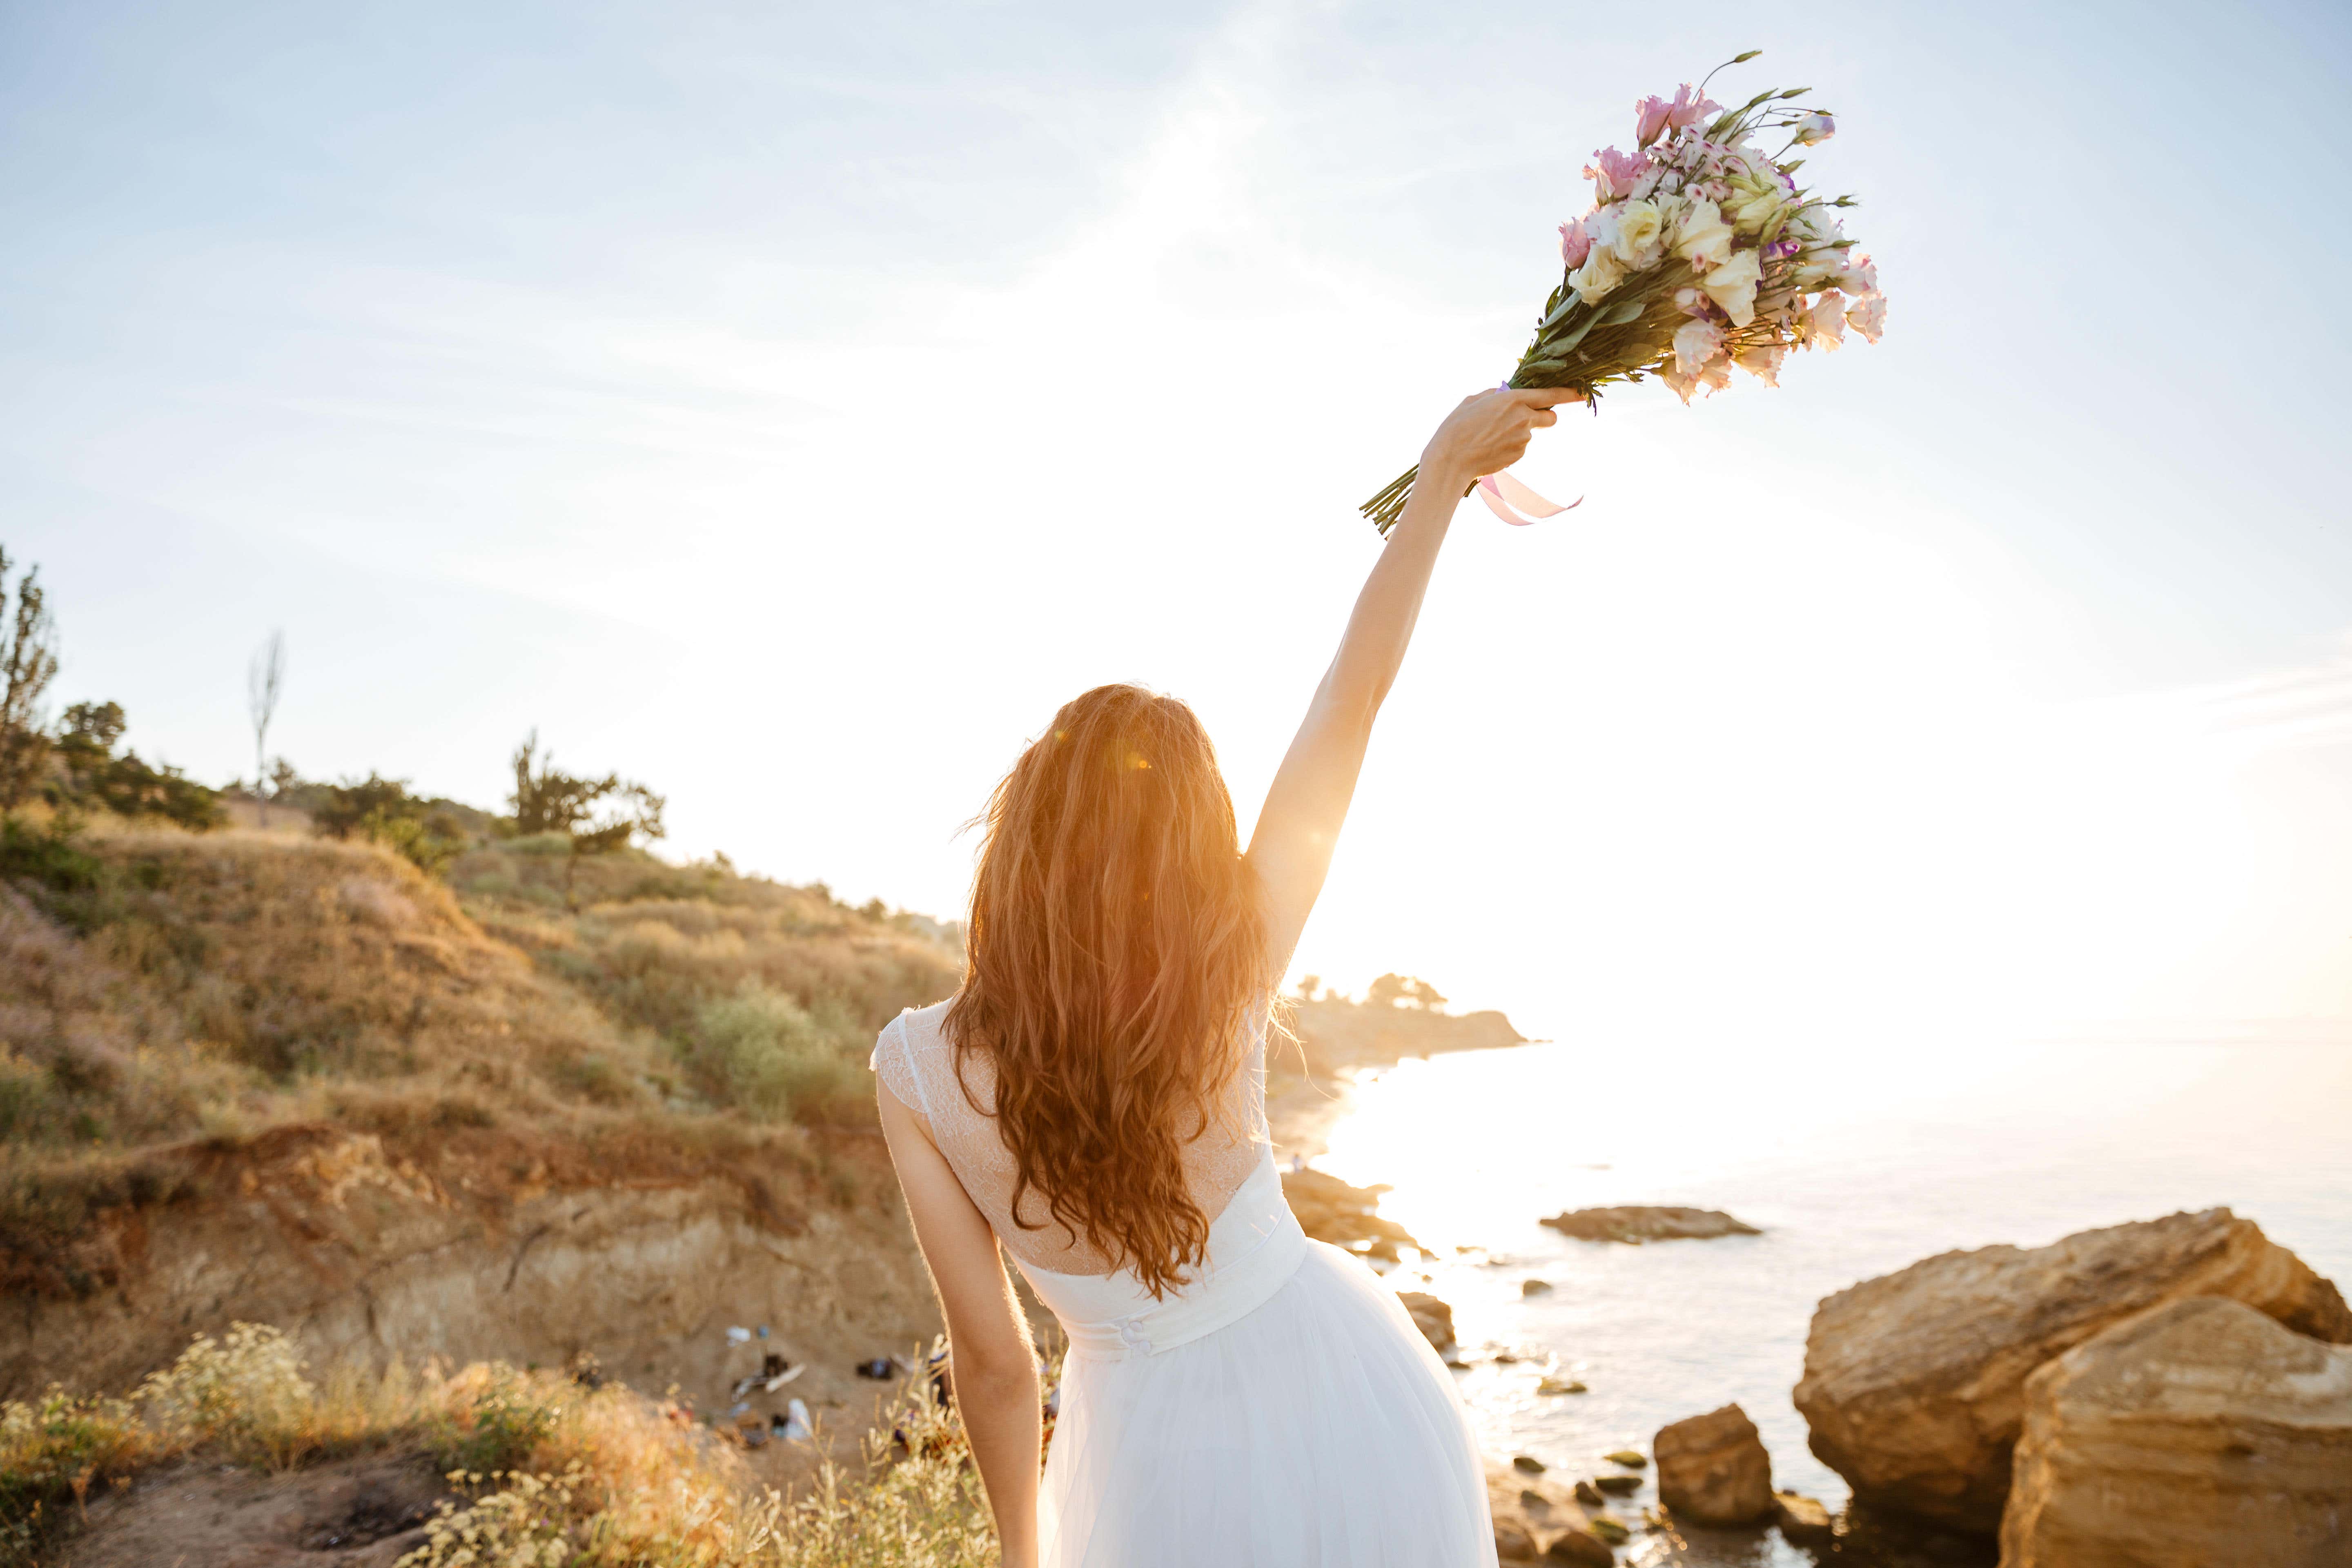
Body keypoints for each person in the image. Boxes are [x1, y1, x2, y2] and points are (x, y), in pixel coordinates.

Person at [872, 385, 1581, 1567]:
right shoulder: (1235, 953)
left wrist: (1019, 1559)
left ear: (1025, 838)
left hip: (1146, 1468)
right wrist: (1443, 473)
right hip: (1347, 1401)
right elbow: (1351, 700)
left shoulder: (915, 1070)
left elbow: (995, 1365)